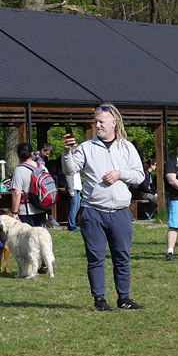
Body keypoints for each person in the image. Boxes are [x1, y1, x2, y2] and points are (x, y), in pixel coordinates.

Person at [61, 103, 145, 311]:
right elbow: (70, 170)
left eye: (101, 121)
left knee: (122, 257)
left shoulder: (127, 147)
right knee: (96, 258)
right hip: (93, 212)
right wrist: (67, 152)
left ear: (113, 123)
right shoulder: (86, 147)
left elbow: (139, 176)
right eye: (96, 121)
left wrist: (120, 174)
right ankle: (99, 300)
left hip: (120, 212)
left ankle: (124, 298)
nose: (97, 125)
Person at [11, 143, 49, 228]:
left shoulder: (19, 170)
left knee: (26, 235)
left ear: (18, 155)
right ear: (32, 153)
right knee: (39, 234)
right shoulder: (42, 167)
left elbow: (17, 193)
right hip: (41, 207)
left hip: (26, 210)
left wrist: (14, 212)